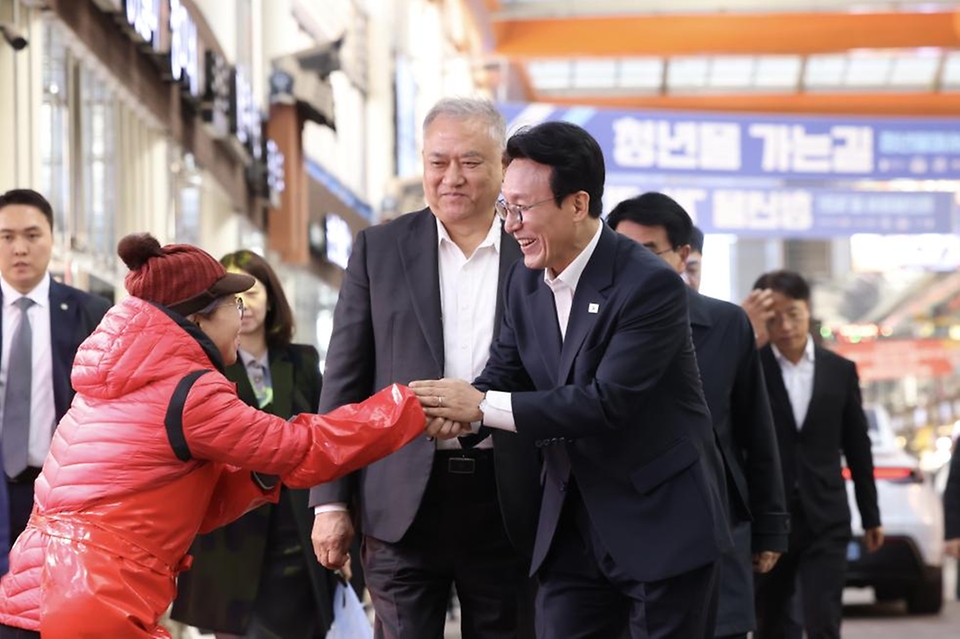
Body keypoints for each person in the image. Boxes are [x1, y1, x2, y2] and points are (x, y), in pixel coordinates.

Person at [0, 233, 430, 638]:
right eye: (235, 305)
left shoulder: (120, 379)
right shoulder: (188, 388)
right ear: (198, 316)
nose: (241, 318)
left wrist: (261, 475)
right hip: (91, 597)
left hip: (43, 590)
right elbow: (303, 447)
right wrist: (410, 407)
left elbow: (183, 505)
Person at [411, 121, 731, 639]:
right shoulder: (524, 281)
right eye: (505, 208)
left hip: (658, 524)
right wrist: (445, 414)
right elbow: (503, 374)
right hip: (570, 527)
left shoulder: (648, 284)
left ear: (578, 204)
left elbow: (607, 402)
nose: (510, 225)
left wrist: (478, 407)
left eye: (522, 208)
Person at [308, 97, 540, 639]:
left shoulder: (534, 249)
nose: (451, 178)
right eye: (438, 162)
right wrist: (329, 501)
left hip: (509, 496)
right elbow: (343, 378)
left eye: (470, 162)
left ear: (503, 165)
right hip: (398, 496)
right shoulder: (378, 249)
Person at [607, 192, 789, 639]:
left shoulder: (726, 325)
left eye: (647, 252)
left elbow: (753, 431)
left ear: (681, 255)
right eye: (621, 250)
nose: (631, 263)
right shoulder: (591, 322)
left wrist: (769, 527)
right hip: (617, 523)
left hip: (708, 522)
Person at [171, 250, 336, 639]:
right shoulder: (204, 368)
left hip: (295, 533)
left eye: (254, 292)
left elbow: (324, 440)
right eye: (231, 297)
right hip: (228, 539)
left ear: (273, 298)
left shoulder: (301, 361)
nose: (243, 306)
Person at [751, 269, 882, 639]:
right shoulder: (751, 368)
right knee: (772, 622)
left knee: (823, 619)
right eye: (773, 317)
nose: (785, 325)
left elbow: (858, 446)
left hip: (826, 517)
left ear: (807, 308)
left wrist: (871, 515)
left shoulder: (840, 371)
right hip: (771, 520)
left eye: (792, 313)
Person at [0, 189, 111, 549]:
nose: (20, 248)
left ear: (52, 238)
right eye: (6, 237)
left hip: (62, 493)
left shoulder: (90, 312)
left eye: (32, 236)